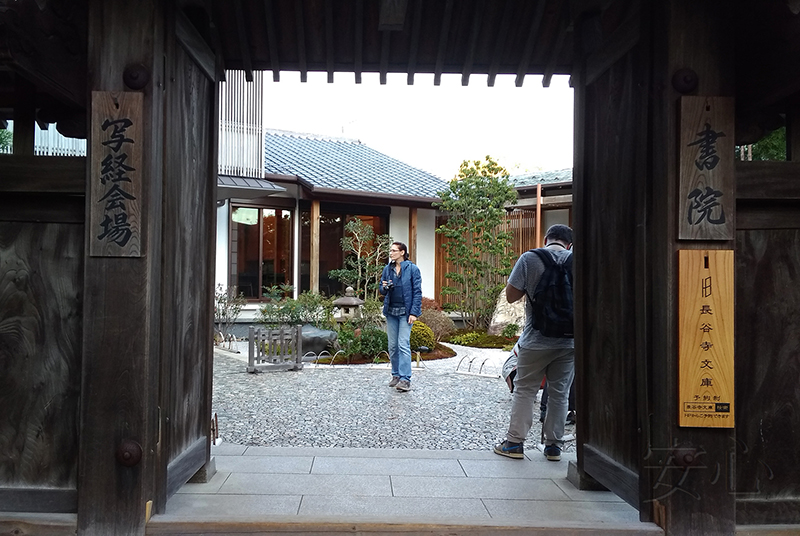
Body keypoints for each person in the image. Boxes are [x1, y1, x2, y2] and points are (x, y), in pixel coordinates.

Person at [494, 224, 575, 461]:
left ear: (546, 239)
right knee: (560, 393)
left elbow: (511, 296)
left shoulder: (530, 258)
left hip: (535, 339)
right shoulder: (578, 260)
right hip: (569, 341)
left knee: (525, 390)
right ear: (569, 244)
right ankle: (553, 447)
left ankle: (514, 444)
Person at [379, 241, 422, 392]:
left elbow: (417, 292)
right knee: (392, 346)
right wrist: (384, 287)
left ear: (402, 252)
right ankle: (396, 375)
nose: (391, 253)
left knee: (403, 344)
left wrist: (414, 312)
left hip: (406, 312)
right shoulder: (387, 269)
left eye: (394, 251)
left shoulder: (412, 269)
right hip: (391, 311)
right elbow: (381, 288)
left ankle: (405, 379)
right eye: (390, 251)